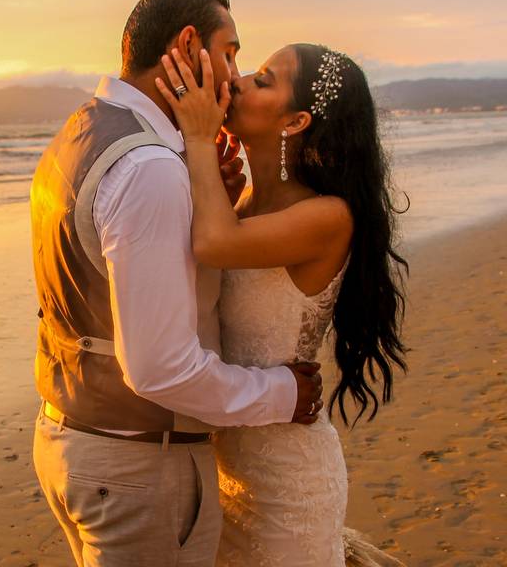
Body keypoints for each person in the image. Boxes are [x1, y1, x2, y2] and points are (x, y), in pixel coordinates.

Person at [30, 0, 324, 567]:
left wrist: (202, 186)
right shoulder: (149, 168)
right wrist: (281, 393)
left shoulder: (83, 130)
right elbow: (161, 369)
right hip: (141, 466)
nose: (234, 74)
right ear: (189, 48)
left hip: (73, 440)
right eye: (230, 52)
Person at [155, 43, 408, 565]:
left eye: (264, 80)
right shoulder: (239, 205)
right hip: (225, 471)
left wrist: (200, 138)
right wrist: (206, 179)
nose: (240, 80)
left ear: (295, 122)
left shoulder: (327, 217)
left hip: (288, 481)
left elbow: (214, 246)